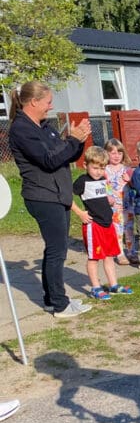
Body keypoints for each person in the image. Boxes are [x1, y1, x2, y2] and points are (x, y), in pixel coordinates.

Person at [8, 81, 93, 318]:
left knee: (55, 249)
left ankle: (51, 298)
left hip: (58, 195)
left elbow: (64, 154)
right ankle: (59, 304)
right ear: (34, 102)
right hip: (43, 197)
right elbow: (48, 160)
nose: (51, 106)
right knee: (57, 251)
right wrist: (72, 140)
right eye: (48, 101)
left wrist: (79, 139)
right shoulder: (21, 130)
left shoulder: (45, 127)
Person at [72, 146, 134, 300]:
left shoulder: (102, 179)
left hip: (108, 223)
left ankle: (113, 285)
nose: (98, 171)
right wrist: (80, 213)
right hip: (94, 225)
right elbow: (66, 196)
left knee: (109, 256)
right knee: (94, 258)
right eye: (95, 168)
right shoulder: (82, 182)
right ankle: (96, 287)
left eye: (102, 168)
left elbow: (105, 194)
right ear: (86, 165)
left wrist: (110, 199)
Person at [104, 138, 137, 265]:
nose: (116, 156)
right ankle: (120, 254)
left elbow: (135, 186)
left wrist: (129, 180)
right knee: (117, 231)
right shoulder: (105, 170)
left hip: (128, 206)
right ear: (106, 153)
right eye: (112, 153)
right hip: (114, 206)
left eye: (119, 152)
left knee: (129, 229)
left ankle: (131, 252)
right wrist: (108, 196)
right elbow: (104, 185)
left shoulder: (127, 169)